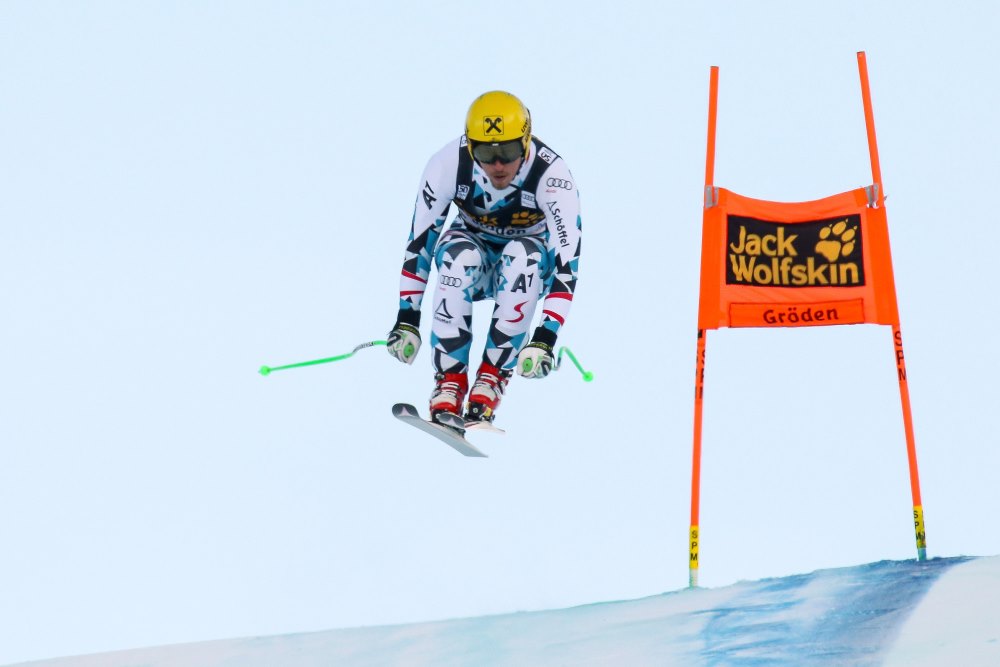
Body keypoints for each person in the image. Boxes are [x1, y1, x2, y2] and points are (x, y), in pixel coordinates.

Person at [386, 90, 581, 425]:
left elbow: (567, 264)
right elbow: (419, 243)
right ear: (469, 144)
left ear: (526, 140)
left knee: (523, 256)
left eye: (507, 150)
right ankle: (449, 382)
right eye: (485, 153)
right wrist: (407, 319)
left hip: (526, 267)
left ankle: (491, 380)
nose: (498, 165)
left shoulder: (554, 178)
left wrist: (545, 339)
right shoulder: (448, 165)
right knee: (458, 258)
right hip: (471, 255)